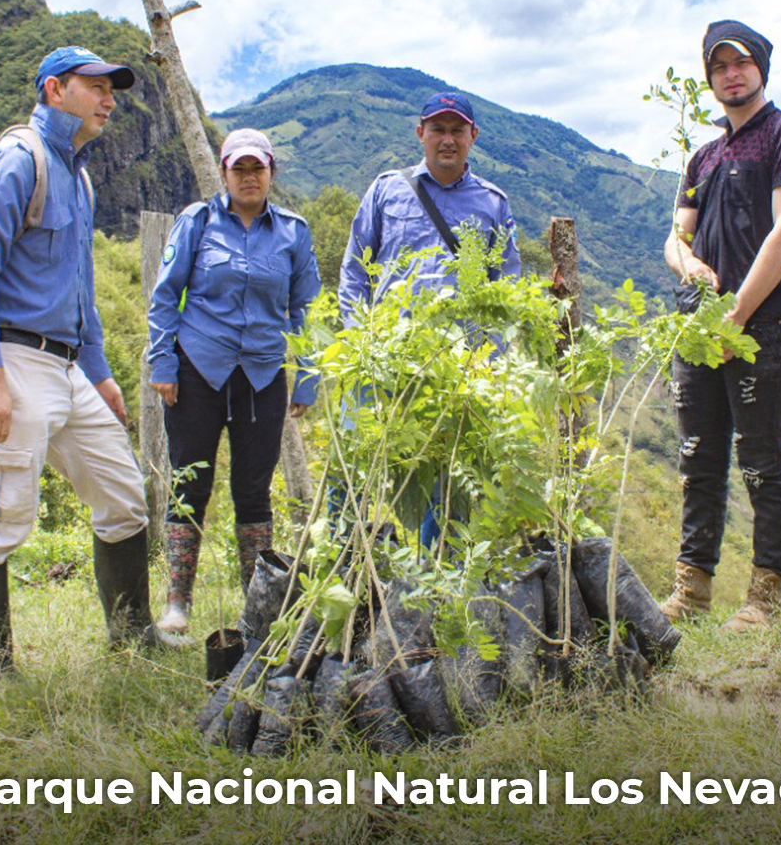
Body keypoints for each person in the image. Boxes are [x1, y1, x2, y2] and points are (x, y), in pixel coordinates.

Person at [0, 46, 179, 677]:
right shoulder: (19, 159)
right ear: (55, 89)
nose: (110, 99)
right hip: (13, 361)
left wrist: (101, 375)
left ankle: (133, 639)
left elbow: (81, 290)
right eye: (97, 87)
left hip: (69, 366)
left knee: (123, 496)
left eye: (113, 90)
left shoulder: (76, 176)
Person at [660, 21, 781, 631]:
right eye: (719, 65)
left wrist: (738, 312)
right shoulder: (704, 156)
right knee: (697, 458)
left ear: (762, 68)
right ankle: (691, 593)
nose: (732, 73)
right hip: (698, 331)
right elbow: (674, 239)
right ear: (710, 78)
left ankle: (763, 601)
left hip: (762, 327)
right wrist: (690, 263)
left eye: (742, 62)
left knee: (761, 460)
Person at [147, 128, 320, 634]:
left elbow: (305, 308)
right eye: (238, 168)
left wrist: (306, 379)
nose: (248, 177)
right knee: (189, 482)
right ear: (223, 173)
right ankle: (178, 604)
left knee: (253, 489)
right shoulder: (196, 223)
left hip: (263, 375)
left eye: (257, 168)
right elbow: (165, 297)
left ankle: (256, 606)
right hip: (197, 370)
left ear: (271, 173)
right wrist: (163, 364)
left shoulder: (293, 231)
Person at [337, 92, 521, 545]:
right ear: (420, 133)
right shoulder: (386, 189)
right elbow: (355, 269)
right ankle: (343, 560)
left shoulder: (493, 203)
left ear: (473, 137)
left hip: (457, 368)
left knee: (449, 478)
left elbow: (508, 290)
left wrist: (488, 363)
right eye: (437, 129)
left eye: (457, 130)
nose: (447, 140)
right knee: (355, 464)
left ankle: (433, 583)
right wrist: (360, 341)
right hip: (381, 359)